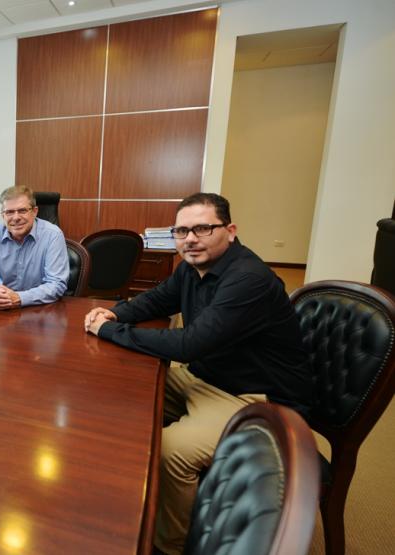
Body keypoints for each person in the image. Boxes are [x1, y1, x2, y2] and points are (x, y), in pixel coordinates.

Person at [83, 192, 311, 555]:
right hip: (203, 377)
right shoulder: (191, 268)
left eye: (203, 229)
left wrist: (110, 331)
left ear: (230, 231)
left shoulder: (248, 279)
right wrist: (116, 313)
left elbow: (190, 344)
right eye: (181, 231)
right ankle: (128, 500)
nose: (190, 239)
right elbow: (158, 300)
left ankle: (167, 545)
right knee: (119, 391)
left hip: (253, 398)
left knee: (171, 452)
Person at [0, 186, 69, 310]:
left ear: (35, 211)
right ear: (3, 215)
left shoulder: (53, 235)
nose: (16, 218)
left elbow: (56, 284)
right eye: (9, 212)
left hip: (42, 310)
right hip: (4, 309)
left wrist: (20, 298)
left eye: (22, 210)